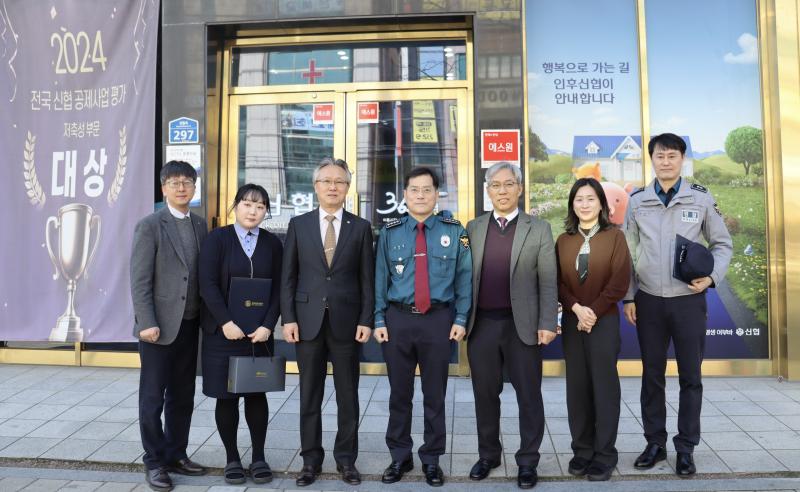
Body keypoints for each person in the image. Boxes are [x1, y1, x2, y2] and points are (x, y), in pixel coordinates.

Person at [623, 133, 732, 476]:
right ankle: (655, 443)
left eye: (672, 155)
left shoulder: (700, 198)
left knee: (691, 377)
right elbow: (626, 252)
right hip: (649, 302)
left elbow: (722, 244)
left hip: (688, 302)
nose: (666, 161)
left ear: (682, 159)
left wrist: (712, 277)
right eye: (660, 156)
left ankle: (686, 448)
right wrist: (629, 295)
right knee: (652, 376)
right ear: (652, 160)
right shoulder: (637, 201)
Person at [374, 167, 472, 487]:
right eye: (414, 190)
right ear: (404, 194)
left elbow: (464, 278)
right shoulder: (390, 232)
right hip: (398, 320)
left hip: (438, 321)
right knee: (399, 394)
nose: (420, 195)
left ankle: (431, 458)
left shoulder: (454, 231)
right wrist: (378, 318)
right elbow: (380, 278)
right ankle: (399, 456)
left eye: (427, 189)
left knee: (435, 394)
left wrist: (461, 318)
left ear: (437, 194)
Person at [280, 158, 375, 487]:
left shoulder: (360, 227)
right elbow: (288, 277)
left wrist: (366, 319)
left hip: (348, 323)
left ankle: (346, 460)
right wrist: (288, 318)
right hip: (307, 322)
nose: (333, 187)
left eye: (340, 182)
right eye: (327, 181)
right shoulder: (299, 225)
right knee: (309, 395)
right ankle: (310, 460)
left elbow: (367, 279)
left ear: (348, 188)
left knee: (348, 395)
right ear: (316, 186)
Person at [464, 162, 558, 490]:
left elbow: (548, 279)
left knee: (529, 396)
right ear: (488, 190)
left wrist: (548, 322)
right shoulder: (473, 228)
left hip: (524, 327)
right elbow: (463, 277)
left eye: (508, 184)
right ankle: (488, 455)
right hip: (482, 326)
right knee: (485, 395)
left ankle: (528, 460)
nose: (502, 191)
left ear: (519, 188)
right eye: (495, 185)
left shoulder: (539, 228)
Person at [130, 160, 208, 491]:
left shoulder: (200, 225)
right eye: (174, 182)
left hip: (189, 325)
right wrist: (146, 321)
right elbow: (139, 279)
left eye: (187, 182)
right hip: (158, 329)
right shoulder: (150, 225)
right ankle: (154, 461)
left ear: (194, 187)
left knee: (182, 394)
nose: (181, 187)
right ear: (163, 188)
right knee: (153, 398)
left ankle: (176, 453)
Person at [198, 184, 283, 485]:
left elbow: (280, 288)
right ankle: (232, 458)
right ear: (236, 206)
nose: (253, 211)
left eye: (260, 206)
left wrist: (269, 325)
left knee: (256, 394)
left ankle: (258, 457)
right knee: (227, 397)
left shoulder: (273, 244)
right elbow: (207, 284)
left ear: (266, 212)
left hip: (259, 334)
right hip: (223, 333)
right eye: (247, 204)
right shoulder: (217, 239)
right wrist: (225, 321)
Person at [556, 177, 631, 482]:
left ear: (601, 203)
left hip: (604, 322)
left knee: (604, 387)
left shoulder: (615, 237)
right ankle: (582, 451)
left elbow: (619, 282)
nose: (584, 204)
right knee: (577, 388)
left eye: (590, 198)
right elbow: (557, 282)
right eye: (579, 199)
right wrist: (577, 309)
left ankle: (604, 454)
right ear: (572, 205)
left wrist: (593, 312)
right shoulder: (564, 240)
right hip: (573, 321)